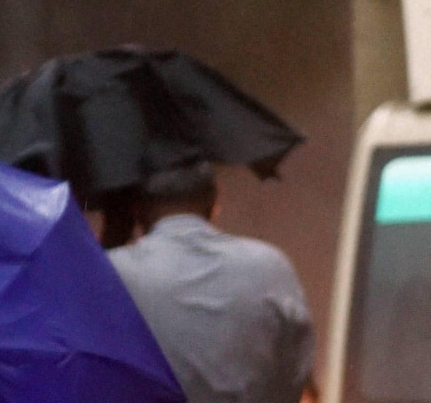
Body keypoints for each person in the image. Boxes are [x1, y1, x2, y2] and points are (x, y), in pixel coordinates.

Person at [106, 162, 314, 403]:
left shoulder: (113, 272)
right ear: (214, 205)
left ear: (136, 211)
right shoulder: (271, 266)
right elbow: (294, 369)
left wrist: (109, 238)